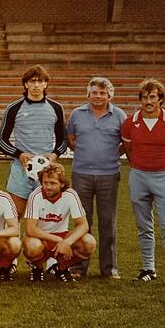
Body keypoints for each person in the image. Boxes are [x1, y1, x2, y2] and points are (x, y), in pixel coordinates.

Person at [121, 78, 165, 288]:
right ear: (140, 99)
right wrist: (141, 168)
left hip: (163, 177)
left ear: (160, 99)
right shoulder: (130, 122)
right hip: (138, 176)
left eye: (152, 97)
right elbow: (129, 151)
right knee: (144, 227)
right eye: (144, 97)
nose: (148, 101)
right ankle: (148, 268)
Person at [66, 77, 126, 279]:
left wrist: (108, 157)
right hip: (81, 173)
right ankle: (79, 267)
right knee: (83, 222)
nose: (98, 96)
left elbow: (125, 144)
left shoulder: (119, 115)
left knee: (108, 222)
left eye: (102, 93)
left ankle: (109, 269)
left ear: (110, 95)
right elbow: (71, 140)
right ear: (88, 94)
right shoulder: (76, 114)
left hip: (109, 175)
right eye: (94, 92)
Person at [0, 64, 67, 217]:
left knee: (46, 216)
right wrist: (20, 155)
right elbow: (1, 140)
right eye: (32, 81)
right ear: (26, 84)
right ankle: (15, 241)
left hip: (47, 171)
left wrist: (54, 155)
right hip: (20, 170)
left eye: (40, 81)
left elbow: (63, 141)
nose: (36, 85)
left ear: (46, 84)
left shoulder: (56, 108)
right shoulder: (14, 108)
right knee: (15, 215)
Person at [23, 163, 96, 283]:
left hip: (62, 234)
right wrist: (59, 241)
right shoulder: (35, 195)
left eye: (53, 183)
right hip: (41, 238)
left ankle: (61, 268)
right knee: (32, 246)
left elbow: (83, 225)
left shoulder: (70, 194)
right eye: (45, 182)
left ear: (62, 184)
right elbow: (30, 229)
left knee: (89, 242)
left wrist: (67, 241)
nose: (48, 187)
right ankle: (38, 267)